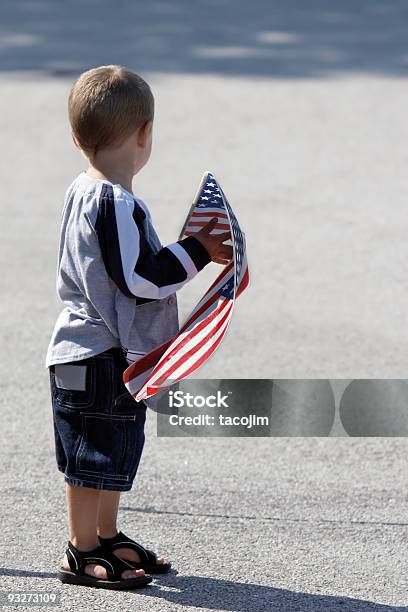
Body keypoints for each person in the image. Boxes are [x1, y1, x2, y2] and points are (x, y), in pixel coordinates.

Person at [45, 64, 233, 590]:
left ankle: (104, 536)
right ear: (144, 134)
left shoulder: (86, 191)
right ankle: (81, 551)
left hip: (109, 353)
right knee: (89, 455)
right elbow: (139, 279)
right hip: (94, 353)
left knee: (112, 449)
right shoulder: (113, 202)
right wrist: (197, 250)